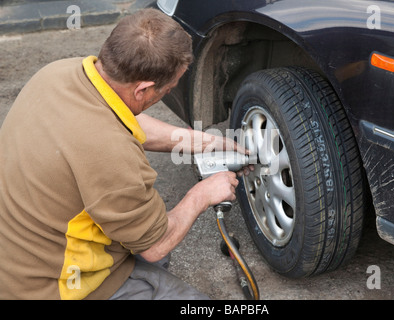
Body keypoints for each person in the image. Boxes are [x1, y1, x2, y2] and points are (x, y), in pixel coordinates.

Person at [0, 8, 249, 300]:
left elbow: (121, 120)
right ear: (142, 89)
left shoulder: (60, 74)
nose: (170, 91)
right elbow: (157, 244)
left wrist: (205, 142)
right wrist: (204, 193)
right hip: (53, 287)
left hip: (20, 252)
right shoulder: (111, 154)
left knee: (148, 231)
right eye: (169, 88)